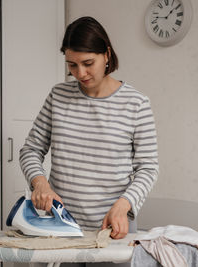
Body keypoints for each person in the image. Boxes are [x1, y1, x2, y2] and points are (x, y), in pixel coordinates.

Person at [19, 16, 159, 265]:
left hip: (112, 228)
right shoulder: (58, 96)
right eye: (71, 65)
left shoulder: (136, 103)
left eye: (87, 63)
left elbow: (147, 168)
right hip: (61, 227)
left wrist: (123, 206)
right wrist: (40, 184)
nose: (80, 73)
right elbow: (30, 149)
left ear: (106, 54)